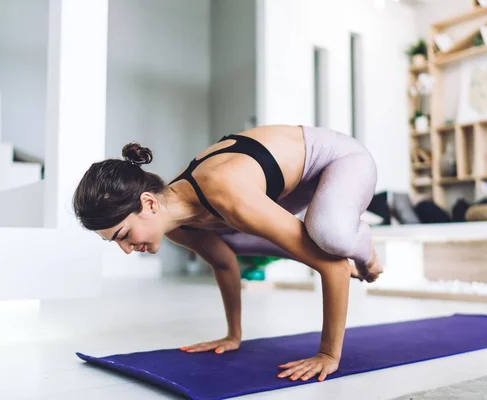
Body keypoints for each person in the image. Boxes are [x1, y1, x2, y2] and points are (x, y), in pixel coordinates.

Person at [72, 124, 382, 383]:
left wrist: (328, 354)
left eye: (124, 235)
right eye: (115, 242)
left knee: (328, 238)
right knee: (237, 241)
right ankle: (341, 237)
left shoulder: (227, 193)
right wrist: (233, 335)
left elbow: (333, 268)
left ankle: (360, 242)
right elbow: (223, 263)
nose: (127, 249)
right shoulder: (178, 225)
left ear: (149, 203)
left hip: (342, 160)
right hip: (296, 187)